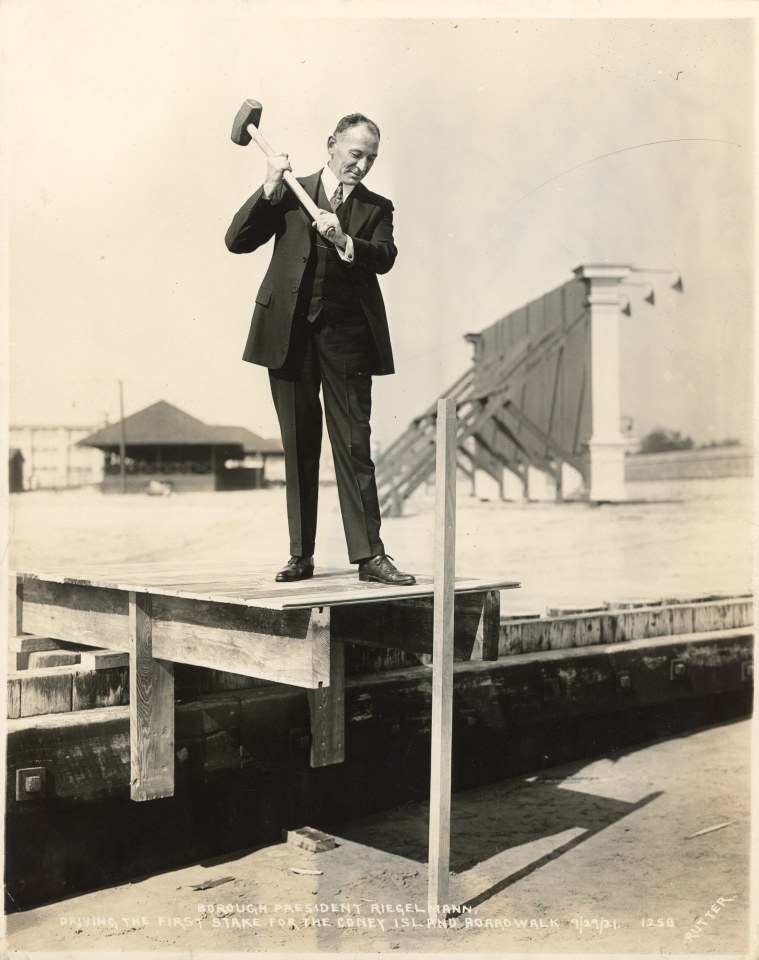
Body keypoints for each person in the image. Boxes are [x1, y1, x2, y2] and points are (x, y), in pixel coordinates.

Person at [225, 113, 416, 586]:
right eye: (356, 154)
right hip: (286, 335)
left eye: (372, 157)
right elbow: (237, 241)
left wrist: (347, 240)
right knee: (298, 446)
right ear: (332, 145)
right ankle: (300, 556)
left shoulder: (378, 207)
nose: (363, 165)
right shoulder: (291, 191)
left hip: (348, 338)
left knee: (354, 445)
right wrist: (269, 187)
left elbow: (385, 257)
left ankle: (370, 557)